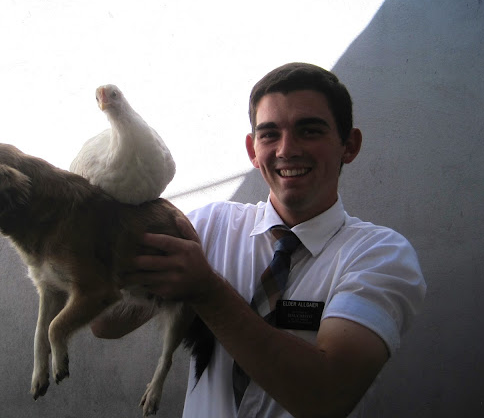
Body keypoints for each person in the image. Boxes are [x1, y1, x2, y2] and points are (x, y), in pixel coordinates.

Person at [91, 62, 426, 418]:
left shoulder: (381, 256)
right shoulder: (206, 226)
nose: (287, 149)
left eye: (309, 131)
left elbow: (328, 397)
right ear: (252, 150)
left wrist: (205, 290)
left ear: (349, 145)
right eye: (269, 135)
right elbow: (105, 323)